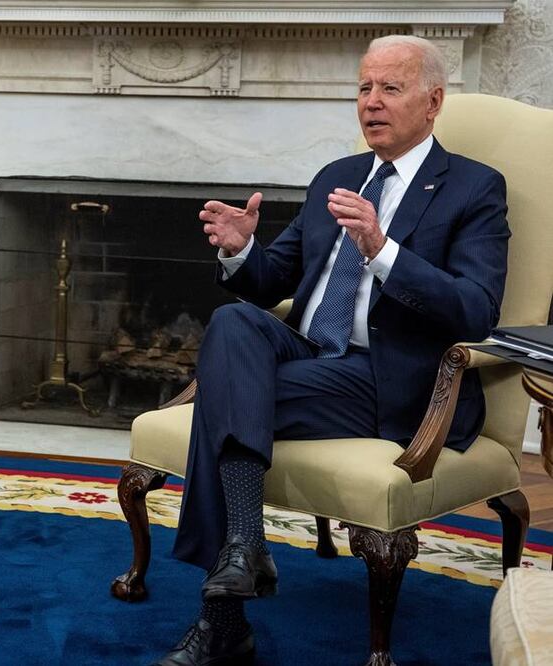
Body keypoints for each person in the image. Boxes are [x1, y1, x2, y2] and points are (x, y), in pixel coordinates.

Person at [154, 35, 510, 665]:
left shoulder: (475, 188)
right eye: (364, 88)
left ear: (433, 102)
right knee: (236, 320)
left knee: (223, 403)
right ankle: (245, 543)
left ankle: (223, 618)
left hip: (390, 378)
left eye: (389, 89)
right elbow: (274, 282)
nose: (371, 103)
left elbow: (477, 309)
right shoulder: (337, 176)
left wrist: (383, 250)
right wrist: (239, 249)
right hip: (311, 353)